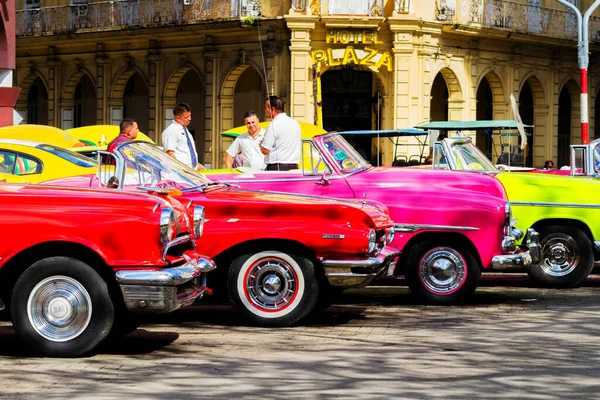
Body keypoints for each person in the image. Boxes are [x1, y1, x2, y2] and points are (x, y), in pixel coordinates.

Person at [260, 96, 301, 171]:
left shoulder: (274, 125)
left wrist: (261, 144)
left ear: (272, 109)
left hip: (277, 168)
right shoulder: (295, 124)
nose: (265, 110)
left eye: (266, 108)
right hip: (294, 168)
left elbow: (265, 150)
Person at [162, 102, 204, 171]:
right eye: (186, 117)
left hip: (191, 171)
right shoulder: (171, 130)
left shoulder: (185, 130)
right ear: (178, 118)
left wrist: (197, 166)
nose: (190, 119)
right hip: (181, 171)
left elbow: (188, 151)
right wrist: (179, 170)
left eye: (190, 115)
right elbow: (170, 153)